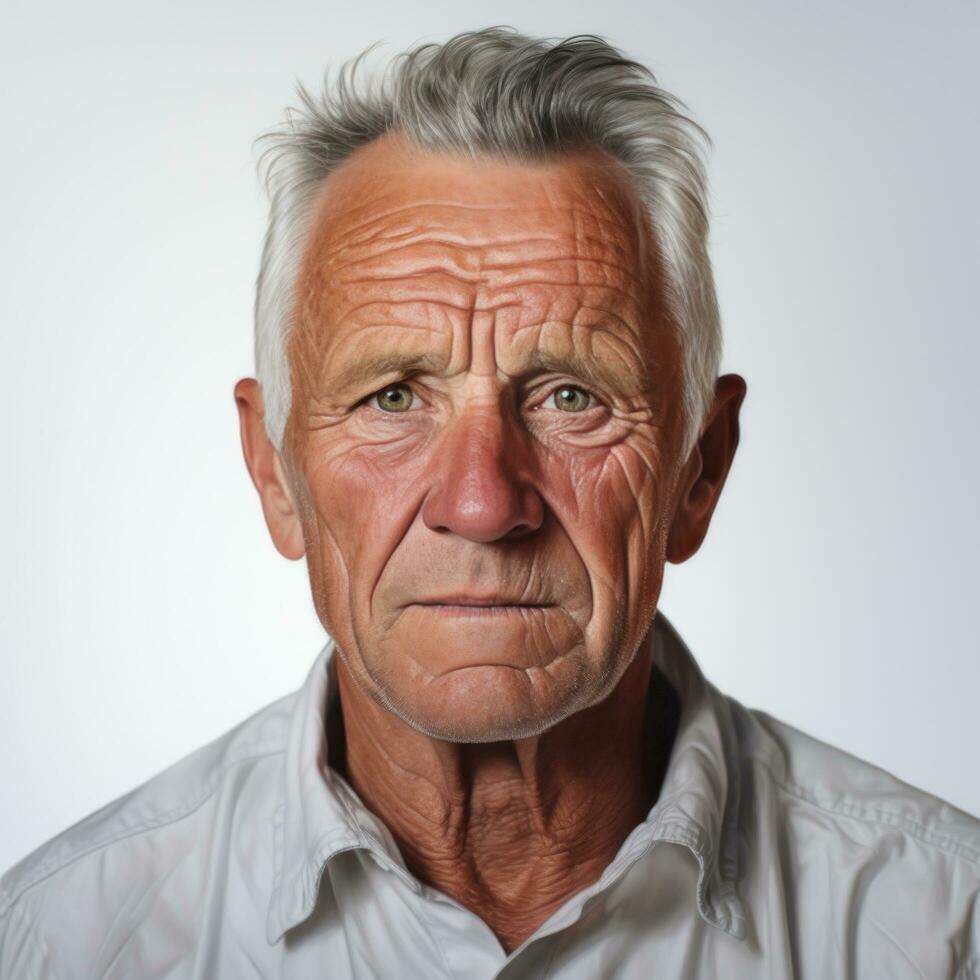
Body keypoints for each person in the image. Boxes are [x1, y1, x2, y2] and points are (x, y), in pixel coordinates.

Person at [1, 26, 977, 980]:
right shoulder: (66, 943)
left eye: (568, 396)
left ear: (699, 468)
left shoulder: (941, 930)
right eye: (392, 396)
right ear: (273, 472)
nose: (480, 502)